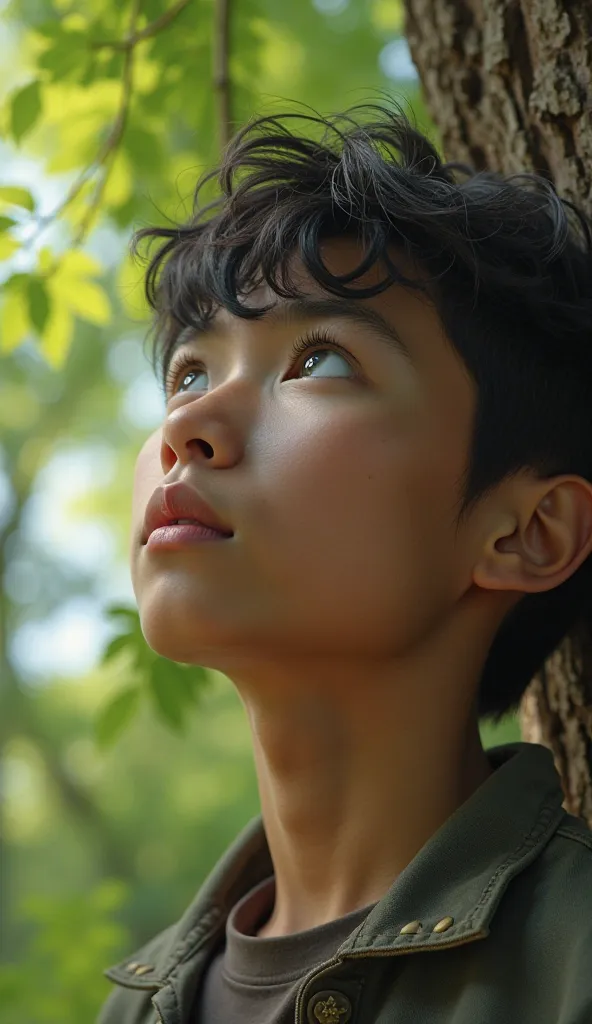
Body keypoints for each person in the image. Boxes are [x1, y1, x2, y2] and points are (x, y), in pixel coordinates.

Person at [97, 100, 592, 1024]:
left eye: (319, 361)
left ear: (527, 533)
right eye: (190, 372)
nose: (185, 427)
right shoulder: (134, 1007)